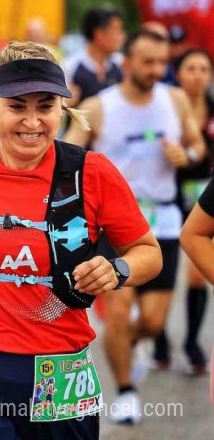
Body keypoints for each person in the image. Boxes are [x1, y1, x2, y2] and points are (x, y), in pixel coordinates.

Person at [0, 41, 161, 439]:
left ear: (62, 109)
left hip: (61, 373)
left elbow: (148, 253)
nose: (32, 121)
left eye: (45, 106)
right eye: (17, 107)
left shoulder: (92, 173)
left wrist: (116, 268)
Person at [64, 30, 206, 424]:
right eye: (148, 62)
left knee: (154, 321)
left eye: (162, 62)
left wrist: (187, 154)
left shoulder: (174, 100)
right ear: (126, 64)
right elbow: (67, 156)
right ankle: (126, 390)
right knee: (119, 307)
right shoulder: (99, 106)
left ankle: (130, 344)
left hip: (162, 220)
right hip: (112, 225)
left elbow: (197, 146)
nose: (156, 70)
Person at [153, 48, 213, 374]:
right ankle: (159, 336)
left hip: (205, 195)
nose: (198, 74)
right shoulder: (167, 108)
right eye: (191, 68)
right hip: (170, 192)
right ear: (178, 74)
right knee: (163, 265)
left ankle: (191, 343)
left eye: (204, 68)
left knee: (196, 271)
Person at [64, 5, 125, 106]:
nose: (122, 37)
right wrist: (64, 103)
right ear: (100, 34)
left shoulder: (122, 64)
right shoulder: (69, 66)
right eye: (117, 30)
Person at [181, 179, 214, 284]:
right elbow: (192, 235)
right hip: (187, 187)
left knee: (197, 277)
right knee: (196, 278)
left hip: (201, 183)